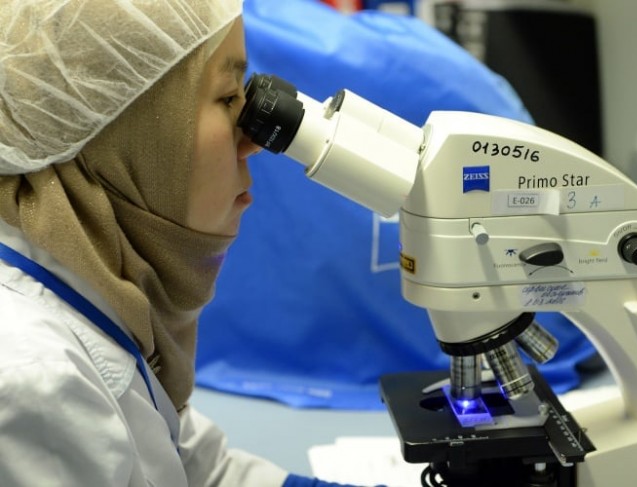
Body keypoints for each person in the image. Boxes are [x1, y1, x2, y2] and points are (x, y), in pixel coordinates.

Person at [0, 1, 373, 486]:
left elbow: (198, 470)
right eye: (227, 98)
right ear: (125, 133)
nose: (254, 140)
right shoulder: (36, 381)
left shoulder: (102, 287)